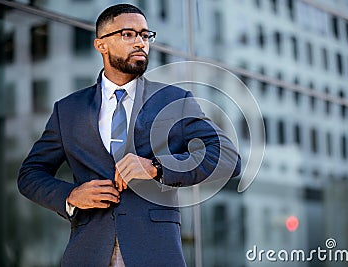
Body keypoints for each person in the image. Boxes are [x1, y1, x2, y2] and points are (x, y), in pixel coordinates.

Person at [18, 3, 241, 267]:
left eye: (145, 35)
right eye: (128, 34)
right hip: (87, 253)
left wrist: (157, 167)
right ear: (101, 45)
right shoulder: (68, 110)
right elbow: (30, 174)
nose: (140, 42)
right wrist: (70, 196)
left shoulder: (173, 100)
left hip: (156, 253)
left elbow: (228, 159)